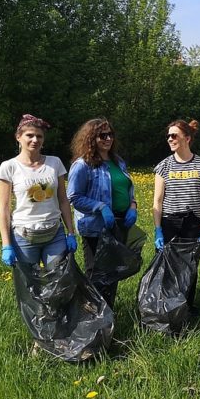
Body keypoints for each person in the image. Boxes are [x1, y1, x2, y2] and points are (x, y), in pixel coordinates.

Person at [67, 118, 138, 308]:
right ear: (91, 138)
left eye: (110, 135)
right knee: (96, 274)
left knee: (113, 271)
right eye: (102, 135)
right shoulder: (83, 165)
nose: (108, 139)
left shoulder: (118, 162)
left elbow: (127, 190)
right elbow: (73, 196)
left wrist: (133, 206)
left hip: (119, 223)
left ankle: (108, 313)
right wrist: (101, 207)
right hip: (96, 227)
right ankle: (93, 320)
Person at [0, 114, 77, 268]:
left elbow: (63, 200)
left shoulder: (55, 163)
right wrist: (6, 244)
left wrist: (71, 233)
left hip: (55, 234)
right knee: (29, 287)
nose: (35, 140)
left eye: (39, 136)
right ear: (18, 137)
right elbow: (4, 208)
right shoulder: (9, 167)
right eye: (30, 135)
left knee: (58, 283)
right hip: (24, 237)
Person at [153, 119, 200, 314]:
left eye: (174, 135)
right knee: (168, 267)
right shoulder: (164, 166)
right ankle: (165, 308)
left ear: (187, 138)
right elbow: (158, 200)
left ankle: (187, 306)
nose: (170, 139)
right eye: (168, 136)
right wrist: (158, 229)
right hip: (170, 222)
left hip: (193, 223)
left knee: (190, 266)